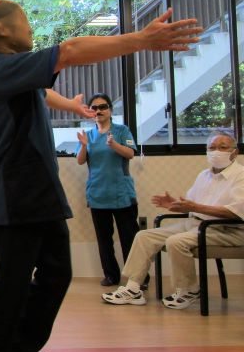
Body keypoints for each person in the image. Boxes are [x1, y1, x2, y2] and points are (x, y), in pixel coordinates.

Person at [0, 0, 201, 352]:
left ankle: (19, 346)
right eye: (24, 21)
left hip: (42, 194)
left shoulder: (18, 73)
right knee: (12, 287)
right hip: (15, 198)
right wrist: (141, 40)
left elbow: (42, 92)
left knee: (57, 275)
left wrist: (70, 106)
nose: (30, 28)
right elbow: (70, 50)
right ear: (2, 30)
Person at [102, 131, 244, 309]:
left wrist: (195, 208)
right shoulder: (204, 175)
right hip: (196, 223)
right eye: (211, 148)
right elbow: (191, 205)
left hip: (227, 229)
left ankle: (189, 290)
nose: (216, 151)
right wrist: (175, 205)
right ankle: (133, 288)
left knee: (175, 241)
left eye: (222, 148)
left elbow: (236, 213)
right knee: (144, 236)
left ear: (234, 152)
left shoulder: (241, 176)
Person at [76, 93, 139, 287]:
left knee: (130, 238)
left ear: (110, 110)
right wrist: (84, 146)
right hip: (98, 195)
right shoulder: (89, 135)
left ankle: (138, 277)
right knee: (104, 241)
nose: (98, 111)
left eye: (102, 107)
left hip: (122, 194)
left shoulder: (121, 131)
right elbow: (80, 160)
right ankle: (111, 275)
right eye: (94, 108)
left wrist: (114, 145)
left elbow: (130, 154)